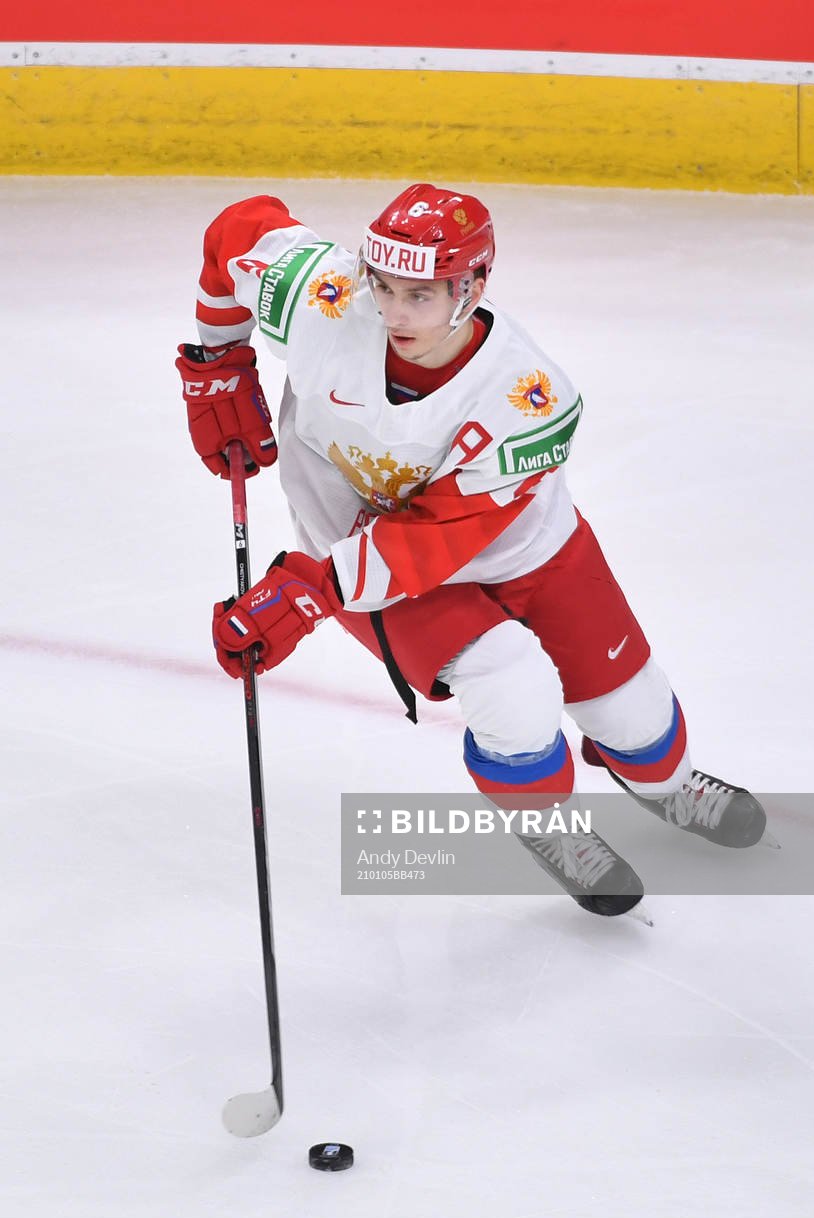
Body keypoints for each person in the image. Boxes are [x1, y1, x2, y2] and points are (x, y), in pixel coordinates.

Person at [176, 184, 767, 919]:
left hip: (522, 552)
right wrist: (218, 359)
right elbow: (237, 231)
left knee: (639, 727)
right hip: (362, 562)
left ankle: (662, 782)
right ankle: (546, 826)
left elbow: (435, 535)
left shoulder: (528, 398)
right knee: (511, 688)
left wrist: (311, 591)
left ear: (473, 286)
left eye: (419, 295)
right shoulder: (325, 299)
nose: (392, 312)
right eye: (382, 285)